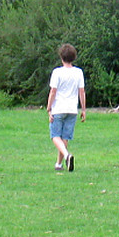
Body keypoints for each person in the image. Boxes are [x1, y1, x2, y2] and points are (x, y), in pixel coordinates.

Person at [47, 43, 86, 171]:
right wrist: (83, 109)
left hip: (59, 108)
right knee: (65, 137)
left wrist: (49, 107)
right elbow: (82, 92)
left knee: (55, 136)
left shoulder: (57, 72)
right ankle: (59, 164)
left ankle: (67, 155)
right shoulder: (78, 72)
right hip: (72, 110)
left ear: (61, 57)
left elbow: (53, 91)